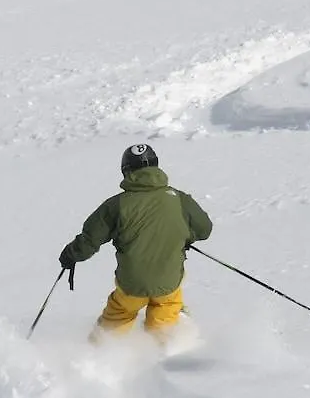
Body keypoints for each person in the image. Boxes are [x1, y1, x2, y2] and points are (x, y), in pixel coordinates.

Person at [59, 144, 212, 343]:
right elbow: (204, 229)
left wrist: (70, 255)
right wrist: (184, 236)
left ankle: (98, 355)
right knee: (166, 311)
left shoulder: (116, 205)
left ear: (126, 171)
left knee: (119, 313)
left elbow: (89, 240)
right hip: (168, 282)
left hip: (131, 285)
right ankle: (162, 352)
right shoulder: (180, 199)